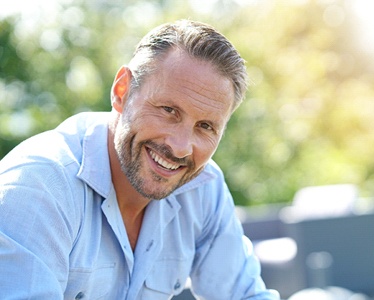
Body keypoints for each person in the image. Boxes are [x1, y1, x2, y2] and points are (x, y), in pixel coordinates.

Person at [0, 20, 280, 299]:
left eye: (205, 127)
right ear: (122, 91)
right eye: (168, 110)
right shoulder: (38, 188)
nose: (181, 148)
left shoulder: (203, 188)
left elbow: (246, 295)